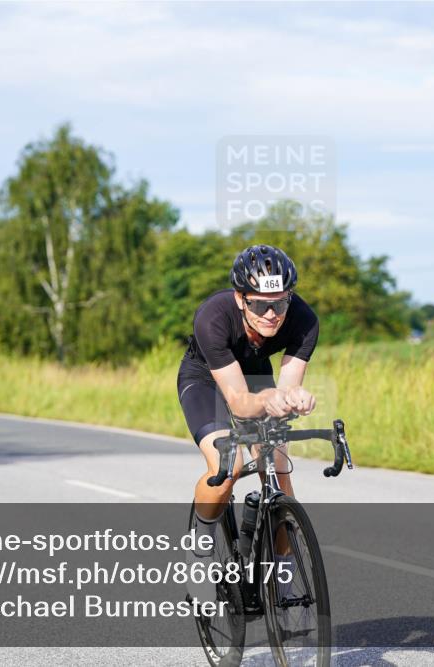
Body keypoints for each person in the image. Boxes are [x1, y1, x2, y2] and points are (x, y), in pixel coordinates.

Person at [177, 244, 319, 604]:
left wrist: (295, 398)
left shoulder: (304, 320)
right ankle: (200, 550)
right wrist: (269, 399)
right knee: (227, 467)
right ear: (241, 299)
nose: (272, 314)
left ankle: (282, 575)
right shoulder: (213, 316)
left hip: (256, 375)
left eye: (281, 303)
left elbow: (287, 388)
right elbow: (239, 402)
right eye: (259, 304)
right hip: (206, 380)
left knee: (281, 473)